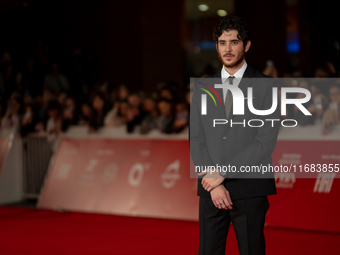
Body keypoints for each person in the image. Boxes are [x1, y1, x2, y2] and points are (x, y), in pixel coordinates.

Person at [190, 16, 280, 255]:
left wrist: (222, 173)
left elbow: (265, 143)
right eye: (222, 42)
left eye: (234, 42)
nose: (227, 49)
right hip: (211, 189)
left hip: (250, 188)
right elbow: (197, 139)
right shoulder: (203, 87)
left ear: (246, 45)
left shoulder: (266, 86)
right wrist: (213, 180)